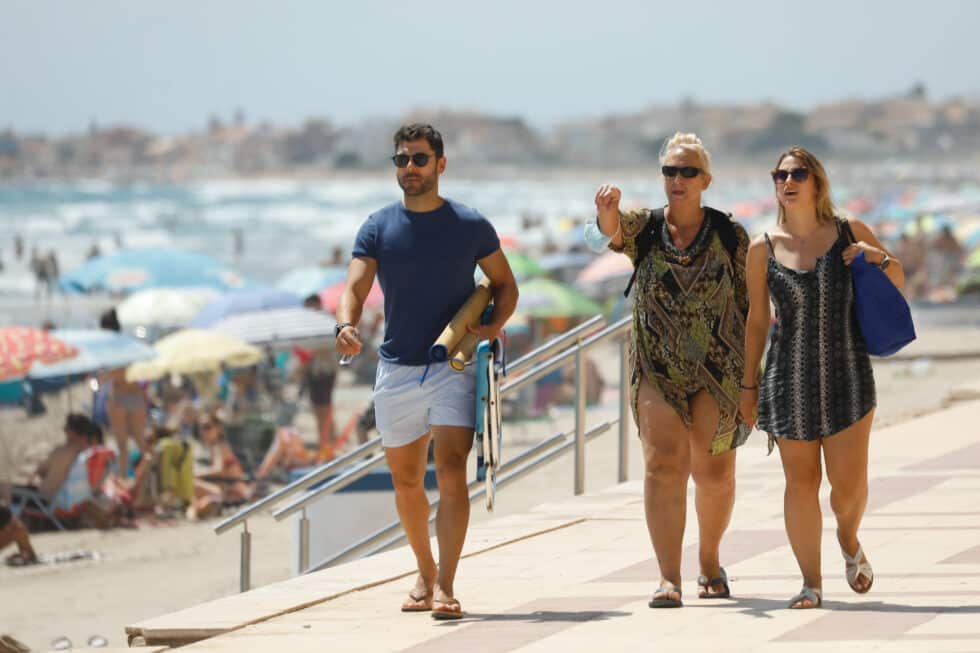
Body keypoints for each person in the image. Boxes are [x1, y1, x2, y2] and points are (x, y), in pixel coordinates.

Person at [335, 123, 518, 619]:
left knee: (453, 473)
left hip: (451, 366)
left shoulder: (469, 224)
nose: (409, 168)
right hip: (395, 369)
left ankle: (447, 586)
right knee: (408, 482)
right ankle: (426, 570)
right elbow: (353, 287)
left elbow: (505, 284)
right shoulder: (377, 227)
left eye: (419, 159)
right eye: (401, 160)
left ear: (440, 164)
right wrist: (345, 325)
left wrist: (489, 329)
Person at [740, 146, 905, 609]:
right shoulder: (762, 247)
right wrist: (747, 386)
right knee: (801, 482)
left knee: (847, 489)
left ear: (817, 182)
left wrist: (877, 257)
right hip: (786, 379)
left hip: (849, 375)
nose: (787, 182)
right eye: (779, 175)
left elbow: (898, 280)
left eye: (797, 173)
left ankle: (849, 539)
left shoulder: (850, 231)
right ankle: (811, 583)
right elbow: (756, 322)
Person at [593, 132, 751, 607]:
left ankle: (708, 558)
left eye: (687, 172)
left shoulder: (730, 234)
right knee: (663, 464)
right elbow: (613, 233)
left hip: (719, 367)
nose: (677, 180)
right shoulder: (645, 226)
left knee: (714, 473)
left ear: (705, 179)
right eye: (669, 171)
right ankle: (668, 578)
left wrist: (754, 379)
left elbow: (754, 301)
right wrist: (606, 216)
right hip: (656, 364)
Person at [99, 308, 147, 476]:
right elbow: (135, 371)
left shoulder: (108, 346)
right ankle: (151, 478)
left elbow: (114, 375)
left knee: (122, 444)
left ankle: (125, 479)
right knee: (141, 441)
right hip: (135, 394)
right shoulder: (128, 342)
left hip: (119, 395)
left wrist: (107, 376)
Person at [188, 411, 250, 520]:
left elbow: (218, 470)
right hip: (228, 491)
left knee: (191, 483)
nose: (203, 431)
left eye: (207, 427)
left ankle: (202, 507)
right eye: (201, 428)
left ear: (218, 428)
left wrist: (197, 474)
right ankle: (201, 507)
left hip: (233, 492)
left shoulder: (219, 446)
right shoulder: (214, 447)